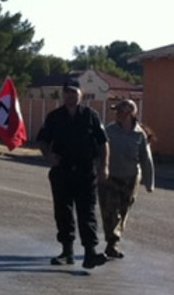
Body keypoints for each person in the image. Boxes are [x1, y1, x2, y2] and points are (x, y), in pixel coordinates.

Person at [36, 79, 110, 269]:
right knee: (63, 211)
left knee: (87, 212)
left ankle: (90, 253)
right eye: (67, 92)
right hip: (62, 171)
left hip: (86, 171)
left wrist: (104, 167)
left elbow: (103, 143)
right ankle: (66, 251)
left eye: (74, 92)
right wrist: (48, 155)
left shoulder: (90, 116)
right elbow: (43, 140)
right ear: (63, 95)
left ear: (81, 94)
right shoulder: (54, 117)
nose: (70, 96)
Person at [99, 99, 155, 259]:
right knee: (109, 210)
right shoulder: (109, 130)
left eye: (120, 111)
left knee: (123, 211)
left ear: (130, 114)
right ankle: (112, 242)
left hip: (130, 179)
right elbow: (100, 151)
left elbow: (146, 158)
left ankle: (113, 242)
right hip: (111, 178)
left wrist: (149, 182)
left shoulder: (139, 134)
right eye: (116, 111)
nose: (117, 114)